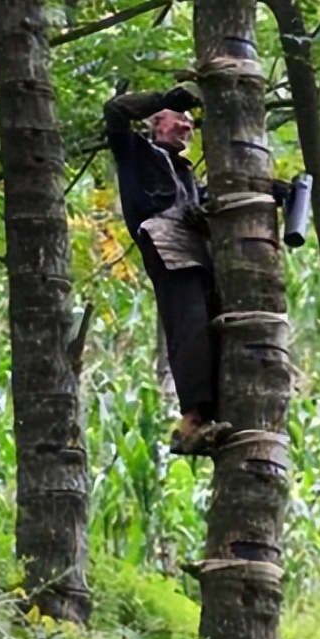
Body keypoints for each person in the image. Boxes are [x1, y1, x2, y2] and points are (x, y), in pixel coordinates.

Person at [104, 84, 228, 454]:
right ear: (157, 122)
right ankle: (192, 417)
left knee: (215, 332)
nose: (187, 128)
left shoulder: (186, 174)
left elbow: (208, 205)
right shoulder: (135, 153)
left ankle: (211, 414)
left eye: (191, 123)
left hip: (200, 253)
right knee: (189, 327)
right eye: (180, 119)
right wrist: (162, 97)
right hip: (168, 247)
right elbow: (115, 112)